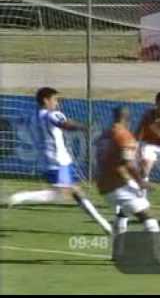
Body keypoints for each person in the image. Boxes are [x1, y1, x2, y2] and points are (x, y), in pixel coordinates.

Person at [8, 87, 112, 235]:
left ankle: (105, 225)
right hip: (58, 162)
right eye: (55, 100)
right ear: (46, 100)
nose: (57, 103)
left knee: (76, 193)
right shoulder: (51, 115)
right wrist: (84, 127)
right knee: (65, 193)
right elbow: (64, 124)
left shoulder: (32, 117)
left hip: (49, 161)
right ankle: (23, 196)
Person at [96, 106, 160, 234]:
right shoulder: (124, 135)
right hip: (118, 185)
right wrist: (140, 182)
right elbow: (128, 163)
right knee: (149, 219)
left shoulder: (105, 134)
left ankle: (119, 234)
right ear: (127, 119)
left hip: (104, 183)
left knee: (127, 208)